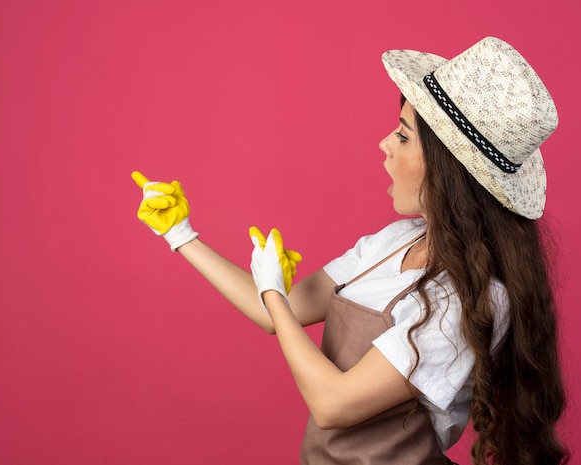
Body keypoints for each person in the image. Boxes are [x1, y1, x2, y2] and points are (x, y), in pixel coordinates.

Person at [131, 37, 569, 465]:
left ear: (446, 166)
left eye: (402, 135)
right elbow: (274, 316)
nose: (384, 144)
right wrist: (181, 235)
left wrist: (272, 293)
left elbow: (333, 404)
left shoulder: (471, 298)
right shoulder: (391, 242)